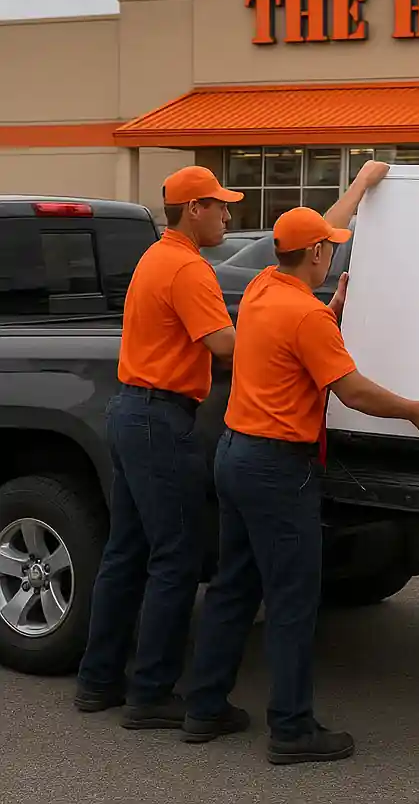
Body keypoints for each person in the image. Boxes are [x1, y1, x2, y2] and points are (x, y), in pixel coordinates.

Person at [180, 184, 419, 765]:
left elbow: (287, 339)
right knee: (293, 599)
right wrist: (416, 411)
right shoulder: (305, 314)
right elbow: (351, 391)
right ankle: (292, 729)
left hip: (235, 455)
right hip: (278, 469)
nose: (331, 253)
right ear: (316, 257)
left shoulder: (261, 288)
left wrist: (356, 192)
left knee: (235, 585)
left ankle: (204, 707)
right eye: (328, 247)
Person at [74, 166, 242, 730]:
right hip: (160, 420)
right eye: (220, 205)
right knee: (176, 555)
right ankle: (150, 694)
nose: (227, 214)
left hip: (130, 411)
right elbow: (224, 346)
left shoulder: (156, 256)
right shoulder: (188, 267)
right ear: (193, 208)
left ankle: (99, 681)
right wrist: (292, 345)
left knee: (126, 552)